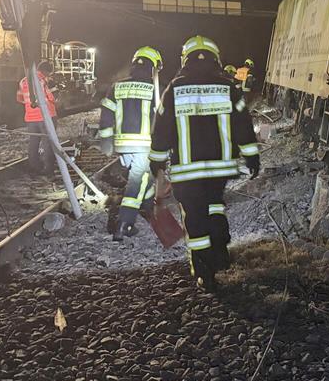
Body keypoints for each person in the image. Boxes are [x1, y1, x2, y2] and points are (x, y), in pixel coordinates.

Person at [149, 35, 259, 290]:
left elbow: (162, 128)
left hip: (188, 172)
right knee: (215, 205)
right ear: (216, 59)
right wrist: (251, 155)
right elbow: (243, 123)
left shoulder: (174, 89)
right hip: (219, 169)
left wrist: (157, 161)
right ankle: (220, 250)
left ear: (185, 59)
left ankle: (204, 273)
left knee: (195, 219)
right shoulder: (228, 87)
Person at [98, 46, 163, 241]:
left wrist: (106, 141)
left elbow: (106, 115)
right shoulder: (155, 90)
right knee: (136, 183)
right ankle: (124, 225)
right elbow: (162, 120)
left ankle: (150, 208)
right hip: (145, 146)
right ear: (153, 68)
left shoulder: (117, 87)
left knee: (146, 180)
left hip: (123, 146)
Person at [16, 61, 58, 174]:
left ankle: (34, 166)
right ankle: (48, 168)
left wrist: (29, 104)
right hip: (46, 116)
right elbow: (52, 98)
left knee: (33, 142)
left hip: (30, 119)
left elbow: (19, 98)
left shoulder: (23, 81)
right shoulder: (42, 81)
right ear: (46, 71)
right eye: (49, 73)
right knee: (48, 142)